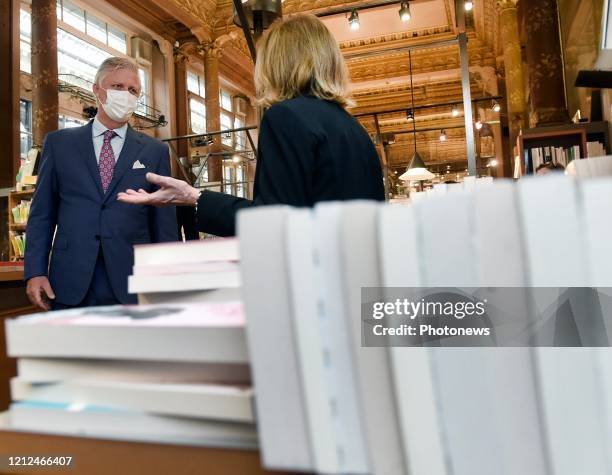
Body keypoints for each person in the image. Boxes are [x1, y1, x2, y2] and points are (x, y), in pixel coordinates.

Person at [117, 14, 385, 236]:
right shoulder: (353, 128)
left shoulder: (286, 117)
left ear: (275, 62)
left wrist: (195, 197)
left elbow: (273, 223)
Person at [25, 57, 177, 311]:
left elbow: (164, 222)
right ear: (98, 90)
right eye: (117, 87)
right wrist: (35, 271)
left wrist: (170, 277)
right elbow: (41, 214)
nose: (125, 95)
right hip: (70, 278)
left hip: (133, 278)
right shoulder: (60, 144)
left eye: (133, 90)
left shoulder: (155, 151)